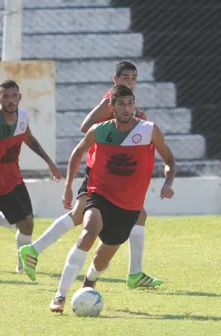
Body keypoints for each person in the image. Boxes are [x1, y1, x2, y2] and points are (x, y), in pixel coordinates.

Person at [18, 61, 160, 287]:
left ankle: (135, 273)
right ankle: (34, 250)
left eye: (133, 78)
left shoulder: (126, 102)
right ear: (116, 80)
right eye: (125, 78)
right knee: (82, 216)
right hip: (101, 169)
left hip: (108, 170)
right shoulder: (109, 102)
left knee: (133, 215)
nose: (130, 82)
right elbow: (86, 127)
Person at [49, 84, 175, 312]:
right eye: (121, 104)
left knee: (102, 259)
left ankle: (89, 282)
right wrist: (68, 185)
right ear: (112, 107)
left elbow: (169, 159)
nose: (126, 108)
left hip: (129, 206)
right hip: (100, 194)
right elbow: (77, 153)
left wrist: (168, 181)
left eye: (130, 103)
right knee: (88, 232)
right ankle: (60, 295)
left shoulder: (149, 131)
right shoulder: (99, 131)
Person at [0, 79, 61, 273]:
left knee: (25, 222)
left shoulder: (22, 117)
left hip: (15, 177)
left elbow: (29, 139)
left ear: (20, 97)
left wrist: (48, 161)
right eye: (6, 96)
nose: (10, 100)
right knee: (25, 224)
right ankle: (23, 267)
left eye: (14, 95)